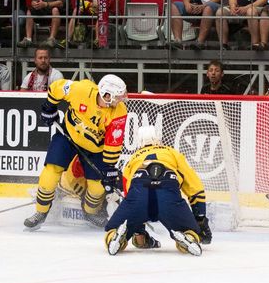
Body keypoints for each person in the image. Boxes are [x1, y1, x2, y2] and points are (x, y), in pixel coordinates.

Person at [23, 74, 128, 230]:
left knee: (98, 187)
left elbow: (113, 143)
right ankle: (41, 212)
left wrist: (108, 168)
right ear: (106, 94)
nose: (120, 100)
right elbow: (56, 88)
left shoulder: (119, 112)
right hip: (68, 136)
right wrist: (49, 107)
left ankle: (90, 212)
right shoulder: (81, 89)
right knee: (50, 172)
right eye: (117, 97)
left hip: (95, 149)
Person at [104, 125, 211, 256]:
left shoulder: (132, 159)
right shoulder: (172, 153)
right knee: (190, 231)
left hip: (139, 189)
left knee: (116, 229)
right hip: (167, 188)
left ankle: (115, 237)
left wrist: (138, 230)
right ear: (158, 139)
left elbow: (129, 195)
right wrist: (200, 219)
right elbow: (196, 188)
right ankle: (188, 238)